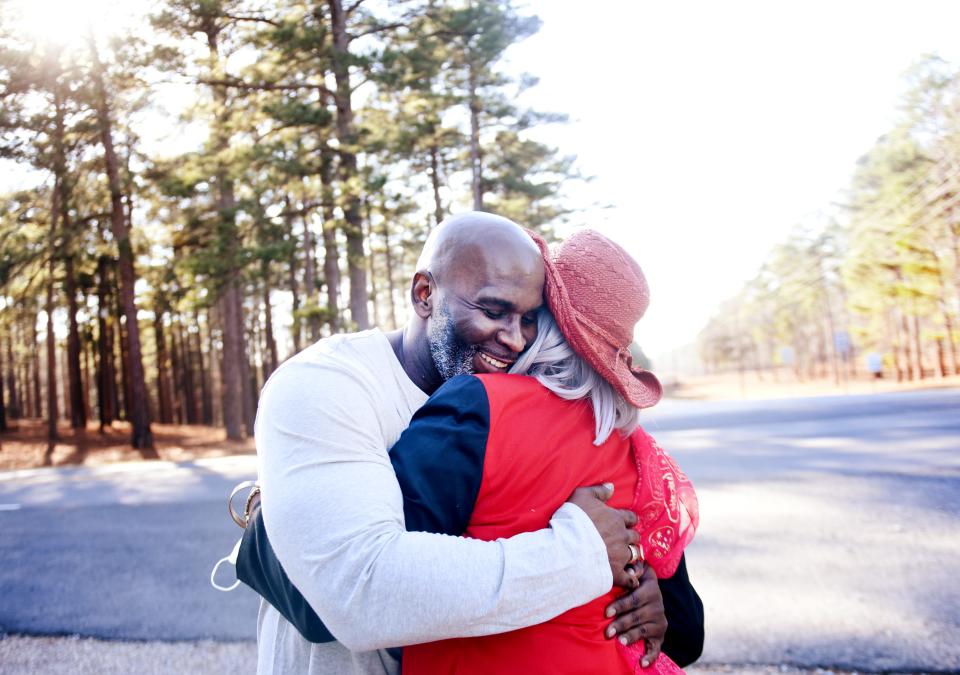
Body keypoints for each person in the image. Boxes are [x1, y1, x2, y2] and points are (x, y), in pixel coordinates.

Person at [244, 212, 703, 674]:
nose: (514, 338)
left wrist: (642, 587)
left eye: (530, 320)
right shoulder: (327, 384)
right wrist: (580, 554)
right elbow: (356, 592)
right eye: (494, 311)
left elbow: (686, 630)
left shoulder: (518, 416)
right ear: (425, 294)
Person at [392, 229, 698, 674]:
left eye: (527, 311)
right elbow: (688, 635)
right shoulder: (634, 447)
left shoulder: (474, 407)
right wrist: (645, 590)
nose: (512, 335)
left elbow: (379, 576)